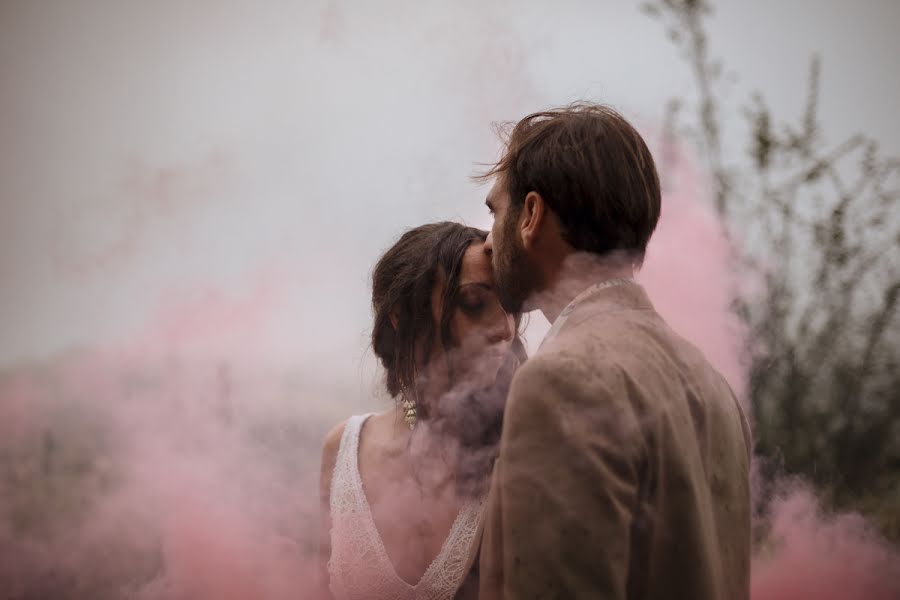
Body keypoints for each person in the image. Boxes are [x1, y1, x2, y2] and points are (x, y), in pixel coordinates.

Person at [468, 103, 753, 599]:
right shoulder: (711, 384)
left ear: (531, 215)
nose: (490, 242)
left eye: (496, 211)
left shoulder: (563, 380)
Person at [317, 222, 525, 600]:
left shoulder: (518, 452)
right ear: (401, 316)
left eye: (511, 306)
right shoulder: (343, 450)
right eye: (475, 304)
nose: (504, 328)